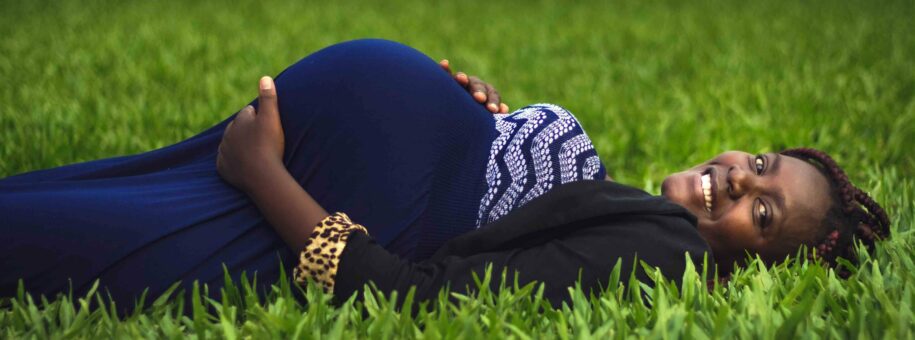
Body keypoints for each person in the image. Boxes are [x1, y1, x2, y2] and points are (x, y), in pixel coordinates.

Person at [0, 39, 890, 316]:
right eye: (760, 166)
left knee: (57, 236)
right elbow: (509, 204)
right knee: (70, 204)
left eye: (763, 216)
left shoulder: (660, 254)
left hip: (280, 183)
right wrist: (489, 124)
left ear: (768, 267)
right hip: (309, 154)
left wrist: (261, 170)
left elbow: (423, 296)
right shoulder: (644, 221)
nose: (736, 182)